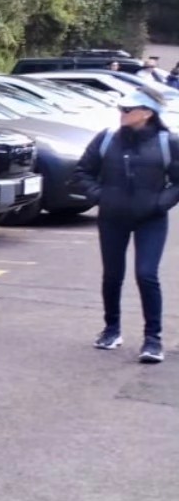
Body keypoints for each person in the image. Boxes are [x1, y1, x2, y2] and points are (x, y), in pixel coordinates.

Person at [73, 89, 179, 362]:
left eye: (128, 110)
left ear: (147, 113)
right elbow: (83, 171)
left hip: (150, 219)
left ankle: (153, 340)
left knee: (146, 274)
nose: (122, 113)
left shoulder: (168, 142)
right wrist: (101, 197)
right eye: (121, 109)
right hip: (112, 217)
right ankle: (111, 330)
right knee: (112, 275)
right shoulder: (107, 138)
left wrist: (160, 204)